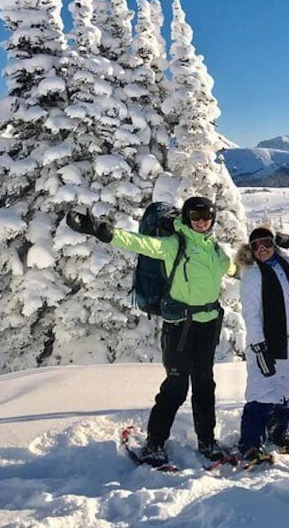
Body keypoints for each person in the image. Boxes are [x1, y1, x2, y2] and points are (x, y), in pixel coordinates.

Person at [66, 197, 234, 466]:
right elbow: (141, 243)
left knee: (205, 386)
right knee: (176, 387)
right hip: (179, 326)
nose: (202, 222)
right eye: (196, 216)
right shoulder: (173, 245)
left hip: (208, 326)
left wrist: (259, 256)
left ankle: (207, 441)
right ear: (187, 218)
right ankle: (154, 443)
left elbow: (234, 267)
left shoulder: (214, 249)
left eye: (207, 217)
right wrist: (103, 231)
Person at [236, 226, 289, 464]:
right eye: (257, 246)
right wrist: (259, 346)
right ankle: (250, 442)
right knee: (261, 389)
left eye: (266, 243)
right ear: (252, 250)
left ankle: (280, 431)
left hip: (287, 338)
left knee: (286, 386)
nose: (263, 249)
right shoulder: (253, 275)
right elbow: (251, 314)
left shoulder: (283, 263)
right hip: (264, 342)